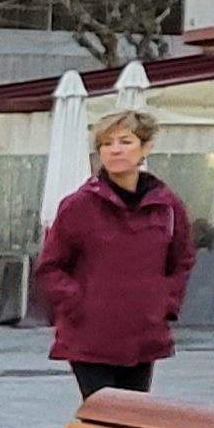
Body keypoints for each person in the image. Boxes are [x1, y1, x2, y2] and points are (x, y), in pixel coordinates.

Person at [33, 110, 195, 397]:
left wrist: (164, 303)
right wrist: (77, 304)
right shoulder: (78, 206)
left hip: (143, 334)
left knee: (131, 422)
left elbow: (182, 260)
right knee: (101, 419)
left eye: (125, 141)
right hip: (91, 337)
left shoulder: (167, 205)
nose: (115, 150)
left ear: (145, 148)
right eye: (106, 144)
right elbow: (50, 267)